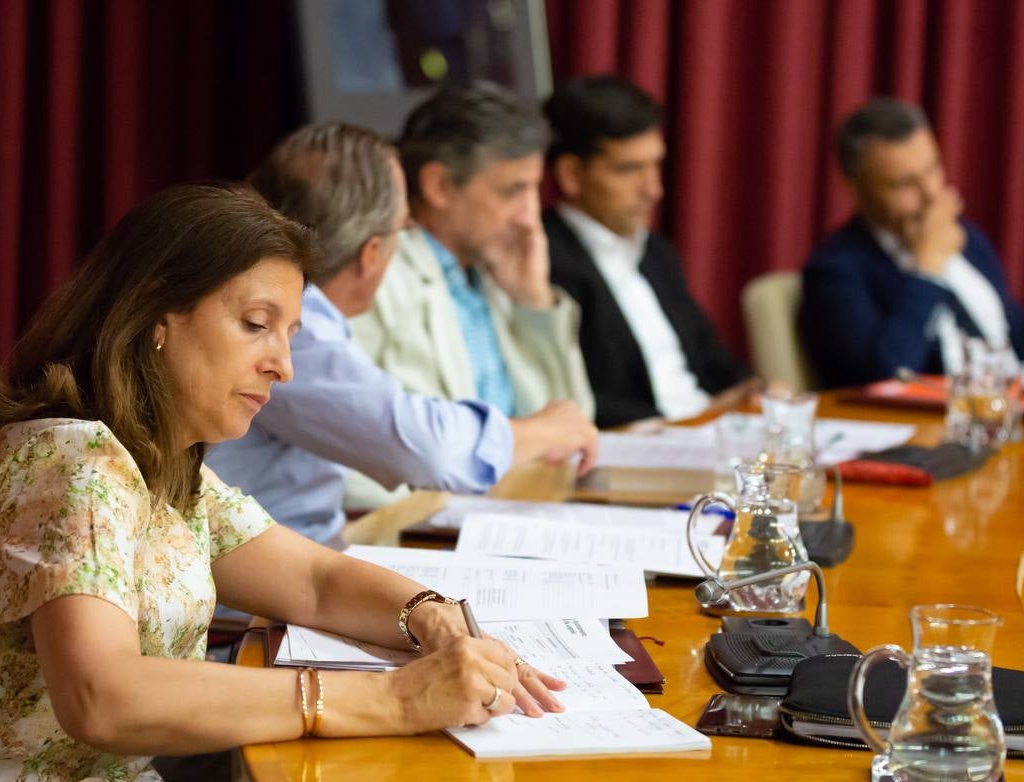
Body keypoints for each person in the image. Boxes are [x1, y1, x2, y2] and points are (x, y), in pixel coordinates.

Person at [0, 183, 563, 782]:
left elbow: (315, 582)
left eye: (289, 334)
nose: (282, 366)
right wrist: (396, 702)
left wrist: (430, 612)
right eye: (257, 324)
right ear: (158, 315)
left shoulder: (158, 463)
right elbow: (103, 696)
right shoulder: (69, 464)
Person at [207, 123, 597, 547]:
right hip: (257, 601)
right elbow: (425, 445)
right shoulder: (288, 324)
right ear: (372, 253)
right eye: (402, 230)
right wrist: (545, 431)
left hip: (303, 570)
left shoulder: (299, 311)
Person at [349, 83, 596, 420]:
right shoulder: (373, 277)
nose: (529, 217)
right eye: (512, 191)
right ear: (438, 185)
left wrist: (534, 303)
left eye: (533, 189)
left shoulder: (502, 271)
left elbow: (576, 422)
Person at [542, 75, 760, 428]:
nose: (653, 189)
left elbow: (712, 358)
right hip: (638, 446)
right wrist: (692, 420)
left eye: (655, 165)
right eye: (629, 169)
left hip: (708, 433)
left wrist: (753, 390)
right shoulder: (542, 261)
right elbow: (572, 396)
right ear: (570, 175)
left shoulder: (657, 251)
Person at [798, 98, 1024, 388]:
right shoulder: (835, 271)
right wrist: (928, 269)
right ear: (853, 187)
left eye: (933, 169)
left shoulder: (968, 239)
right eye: (904, 184)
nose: (930, 194)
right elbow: (882, 376)